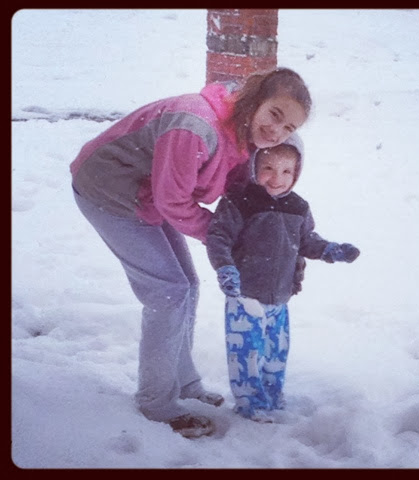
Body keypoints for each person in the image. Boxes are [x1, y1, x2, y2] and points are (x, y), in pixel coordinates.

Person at [69, 67, 312, 438]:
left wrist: (263, 231)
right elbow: (173, 201)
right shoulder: (195, 127)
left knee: (188, 285)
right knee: (168, 292)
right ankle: (156, 403)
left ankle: (184, 383)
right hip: (109, 191)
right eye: (275, 114)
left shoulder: (244, 134)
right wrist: (224, 239)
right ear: (254, 100)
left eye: (289, 127)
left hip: (149, 194)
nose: (277, 131)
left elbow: (237, 190)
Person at [206, 133, 360, 423]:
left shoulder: (298, 207)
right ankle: (251, 404)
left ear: (296, 173)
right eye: (268, 168)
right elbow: (218, 237)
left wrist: (330, 250)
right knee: (247, 354)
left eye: (287, 171)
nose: (277, 178)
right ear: (253, 166)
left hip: (280, 297)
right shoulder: (239, 201)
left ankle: (272, 395)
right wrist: (225, 267)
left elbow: (306, 240)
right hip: (245, 294)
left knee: (275, 352)